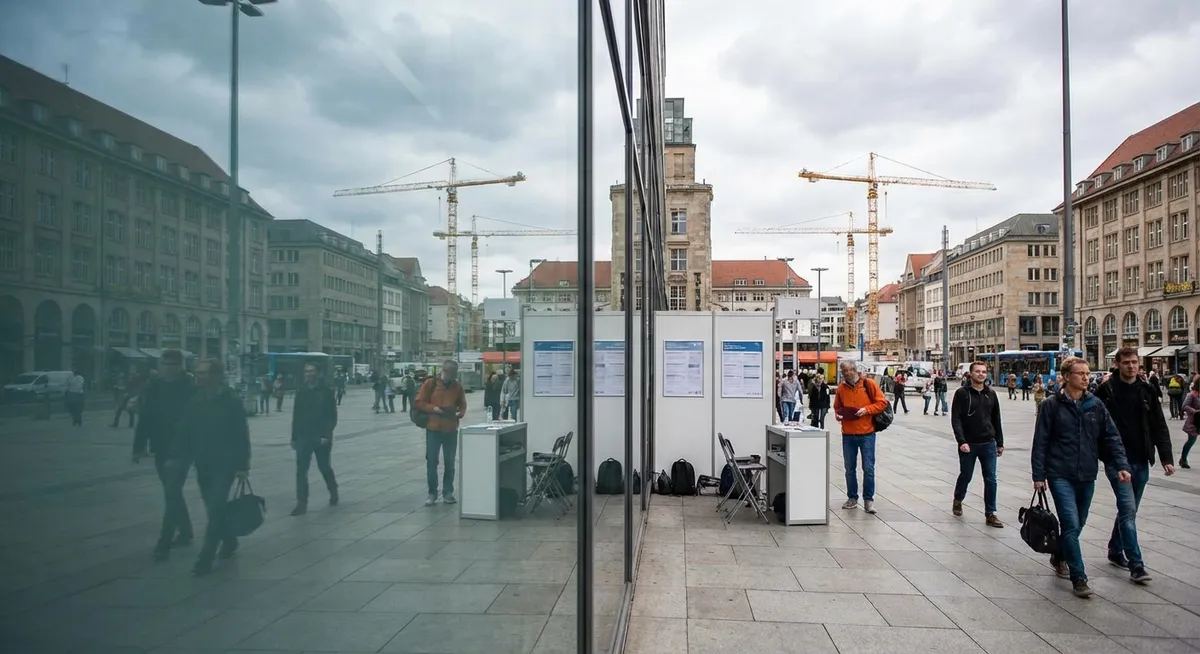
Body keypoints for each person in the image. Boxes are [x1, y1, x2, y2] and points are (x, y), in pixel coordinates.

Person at [1031, 356, 1132, 598]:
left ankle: (1060, 554)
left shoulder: (1095, 405)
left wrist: (1121, 464)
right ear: (1066, 377)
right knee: (1070, 522)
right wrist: (1039, 474)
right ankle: (1079, 577)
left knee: (1079, 522)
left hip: (1086, 473)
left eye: (1087, 373)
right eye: (1081, 373)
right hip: (1059, 474)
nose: (1086, 377)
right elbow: (1040, 442)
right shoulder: (1051, 405)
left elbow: (1111, 437)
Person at [1093, 347, 1174, 582]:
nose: (1131, 366)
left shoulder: (1147, 390)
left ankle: (1115, 549)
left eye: (1134, 362)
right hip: (1117, 462)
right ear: (1117, 364)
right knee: (1128, 510)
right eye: (1126, 362)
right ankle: (1136, 565)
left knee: (1130, 510)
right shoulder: (1105, 390)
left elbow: (1159, 425)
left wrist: (1166, 458)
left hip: (1141, 459)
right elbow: (1095, 425)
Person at [169, 358, 251, 576]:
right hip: (203, 462)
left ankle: (205, 558)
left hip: (226, 463)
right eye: (198, 373)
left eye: (204, 373)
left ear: (216, 375)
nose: (199, 377)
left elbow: (241, 435)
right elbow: (184, 429)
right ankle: (230, 540)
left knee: (215, 508)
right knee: (213, 507)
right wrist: (177, 454)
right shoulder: (196, 400)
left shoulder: (231, 401)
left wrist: (243, 465)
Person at [133, 349, 196, 561]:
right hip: (160, 447)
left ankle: (164, 542)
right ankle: (186, 531)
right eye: (164, 364)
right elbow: (146, 417)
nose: (168, 368)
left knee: (171, 492)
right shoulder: (155, 387)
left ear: (180, 366)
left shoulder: (190, 388)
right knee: (173, 491)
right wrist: (138, 446)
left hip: (182, 448)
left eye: (172, 364)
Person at [950, 361, 1004, 528]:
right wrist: (961, 441)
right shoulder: (962, 393)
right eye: (978, 371)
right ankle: (958, 499)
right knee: (966, 475)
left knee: (991, 479)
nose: (981, 374)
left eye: (984, 372)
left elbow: (996, 419)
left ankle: (991, 513)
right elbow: (956, 419)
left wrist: (999, 442)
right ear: (971, 374)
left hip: (988, 442)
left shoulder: (991, 394)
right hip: (969, 444)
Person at [832, 360, 890, 514]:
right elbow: (837, 406)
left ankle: (868, 500)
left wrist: (867, 410)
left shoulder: (868, 384)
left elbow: (882, 403)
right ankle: (852, 498)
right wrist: (838, 414)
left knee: (868, 468)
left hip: (867, 434)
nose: (846, 374)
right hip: (848, 434)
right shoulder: (841, 388)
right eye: (843, 371)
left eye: (848, 370)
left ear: (855, 370)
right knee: (849, 468)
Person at [415, 359, 467, 506]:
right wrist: (434, 409)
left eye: (455, 375)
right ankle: (432, 493)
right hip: (434, 429)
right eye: (451, 374)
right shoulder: (430, 384)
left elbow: (462, 403)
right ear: (444, 372)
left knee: (450, 463)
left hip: (450, 429)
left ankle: (448, 492)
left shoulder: (457, 386)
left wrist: (460, 413)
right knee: (432, 461)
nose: (453, 377)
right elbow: (419, 402)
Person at [290, 362, 339, 516]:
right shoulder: (302, 391)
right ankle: (301, 502)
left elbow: (332, 416)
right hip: (304, 436)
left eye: (311, 371)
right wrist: (294, 436)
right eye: (306, 371)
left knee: (324, 467)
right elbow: (296, 416)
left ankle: (333, 490)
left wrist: (326, 434)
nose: (308, 374)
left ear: (318, 373)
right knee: (301, 470)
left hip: (321, 436)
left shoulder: (325, 392)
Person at [1182, 378, 1199, 468]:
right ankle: (1183, 459)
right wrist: (1195, 411)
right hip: (1194, 421)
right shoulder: (1191, 394)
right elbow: (1185, 406)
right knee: (1191, 441)